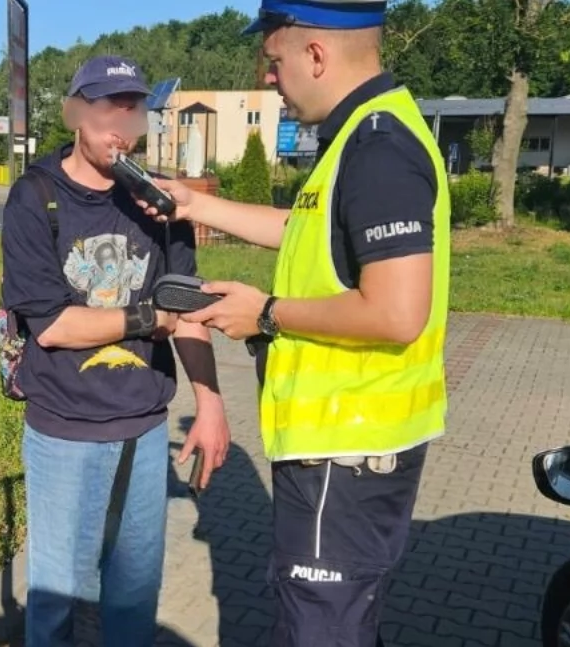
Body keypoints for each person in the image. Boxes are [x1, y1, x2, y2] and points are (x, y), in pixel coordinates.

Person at [136, 3, 451, 645]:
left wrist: (267, 314)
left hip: (346, 453)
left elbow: (397, 312)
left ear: (316, 56)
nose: (270, 78)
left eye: (275, 62)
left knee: (322, 629)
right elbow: (305, 231)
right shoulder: (358, 135)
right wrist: (198, 204)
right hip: (343, 449)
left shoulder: (378, 147)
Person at [0, 54, 232, 647]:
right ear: (77, 113)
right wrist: (149, 316)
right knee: (57, 594)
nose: (120, 124)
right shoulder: (35, 198)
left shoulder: (161, 204)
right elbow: (52, 326)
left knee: (133, 595)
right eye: (106, 107)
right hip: (65, 431)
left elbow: (190, 309)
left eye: (133, 109)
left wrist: (210, 404)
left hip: (146, 430)